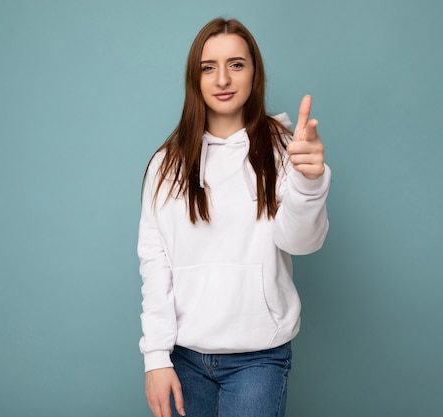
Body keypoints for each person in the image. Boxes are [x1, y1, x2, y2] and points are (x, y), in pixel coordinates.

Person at [137, 17, 331, 417]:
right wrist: (156, 357)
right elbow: (155, 262)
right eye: (209, 67)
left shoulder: (283, 149)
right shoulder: (165, 164)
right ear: (195, 78)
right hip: (183, 358)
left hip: (258, 358)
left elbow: (301, 242)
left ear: (254, 72)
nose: (223, 78)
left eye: (236, 64)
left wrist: (309, 182)